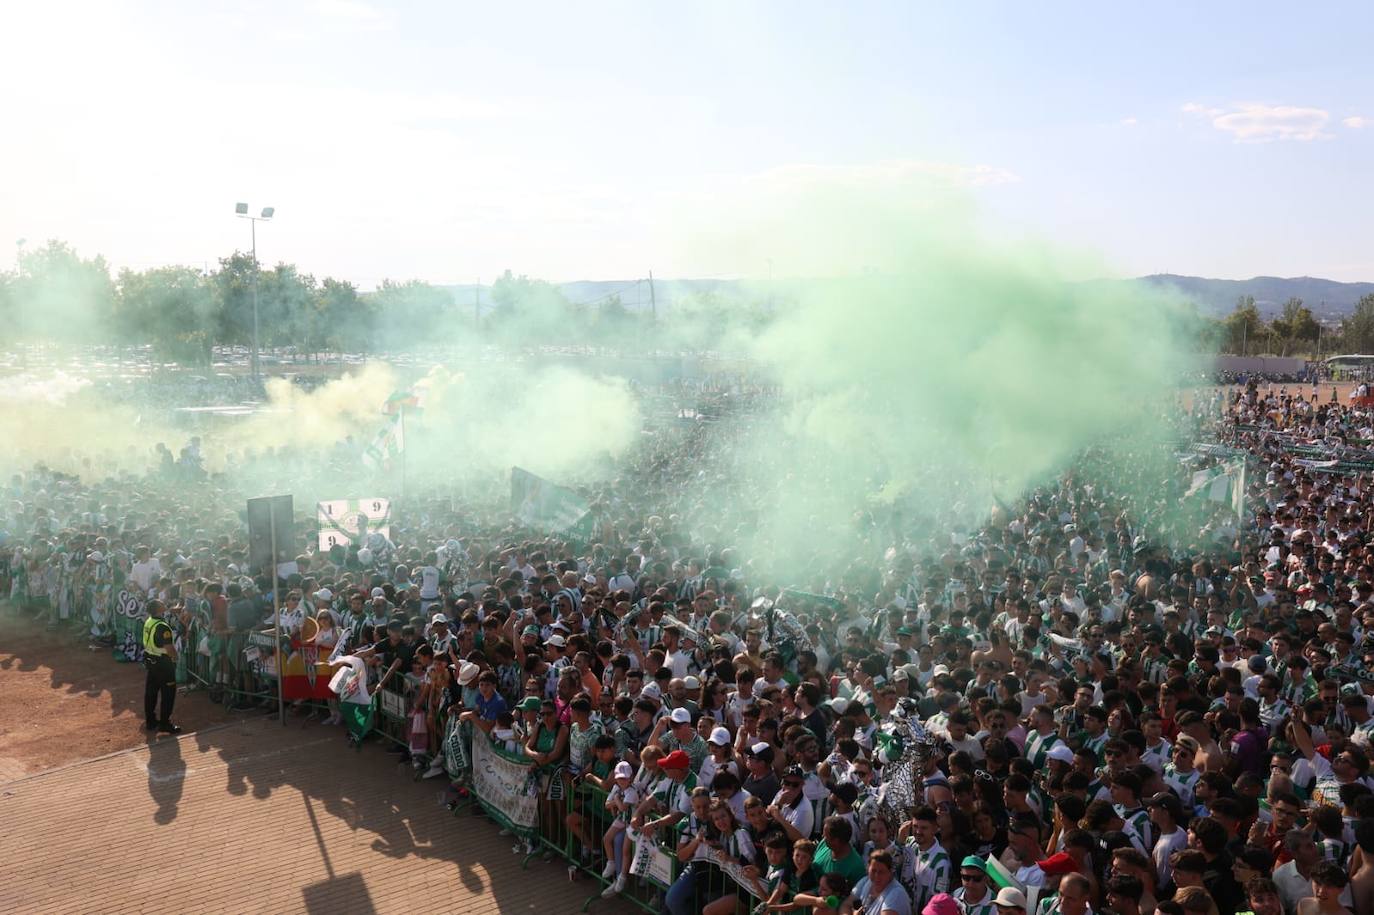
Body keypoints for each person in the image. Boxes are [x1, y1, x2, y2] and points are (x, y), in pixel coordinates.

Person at [142, 598, 180, 734]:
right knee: (168, 694)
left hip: (150, 661)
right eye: (162, 604)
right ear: (159, 609)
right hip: (163, 663)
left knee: (151, 692)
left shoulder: (149, 621)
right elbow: (169, 648)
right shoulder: (162, 626)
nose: (165, 604)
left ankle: (150, 721)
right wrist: (176, 658)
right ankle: (165, 723)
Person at [842, 849, 912, 915]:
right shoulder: (865, 881)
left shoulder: (896, 894)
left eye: (881, 872)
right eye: (873, 871)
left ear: (890, 872)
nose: (877, 876)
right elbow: (846, 905)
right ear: (868, 868)